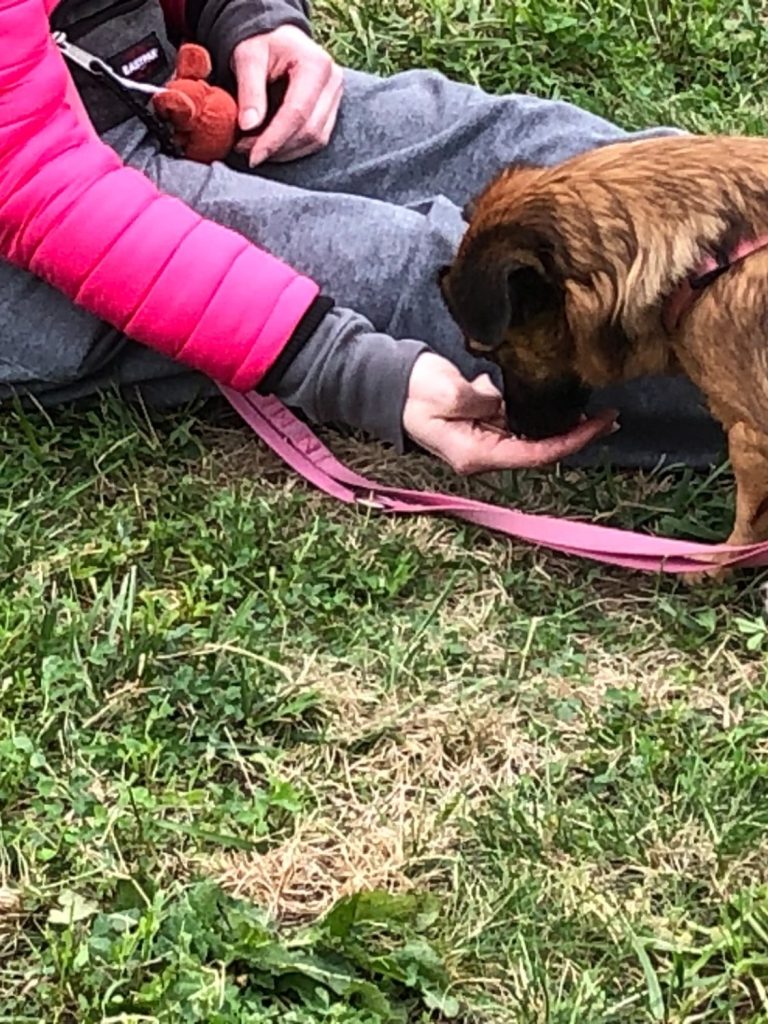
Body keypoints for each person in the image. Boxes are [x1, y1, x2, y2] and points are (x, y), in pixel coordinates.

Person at [0, 0, 724, 474]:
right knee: (431, 279)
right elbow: (38, 185)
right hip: (33, 200)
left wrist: (245, 16)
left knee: (525, 148)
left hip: (151, 86)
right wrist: (351, 368)